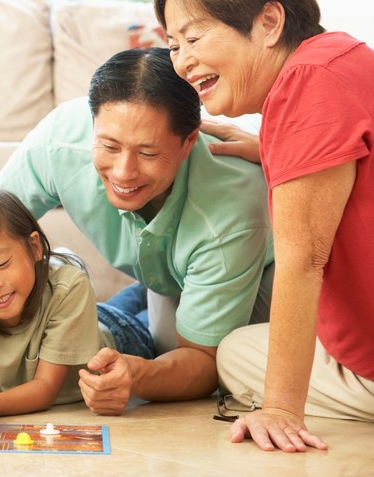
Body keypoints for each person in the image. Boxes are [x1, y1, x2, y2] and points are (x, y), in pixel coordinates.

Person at [0, 47, 274, 416]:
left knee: (167, 350)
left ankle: (139, 304)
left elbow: (203, 364)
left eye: (147, 153)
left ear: (189, 141)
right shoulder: (61, 139)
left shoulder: (230, 214)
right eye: (109, 146)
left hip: (255, 277)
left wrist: (137, 376)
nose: (124, 173)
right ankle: (140, 297)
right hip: (170, 274)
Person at [157, 0, 374, 452]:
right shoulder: (342, 57)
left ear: (269, 22)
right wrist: (276, 148)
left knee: (234, 353)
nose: (182, 61)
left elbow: (305, 258)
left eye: (193, 38)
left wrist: (279, 408)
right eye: (173, 45)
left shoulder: (306, 83)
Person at [0, 188, 152, 427]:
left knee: (151, 319)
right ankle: (141, 290)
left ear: (34, 247)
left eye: (2, 263)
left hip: (119, 335)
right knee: (117, 304)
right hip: (77, 319)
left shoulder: (69, 287)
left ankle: (148, 288)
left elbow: (45, 389)